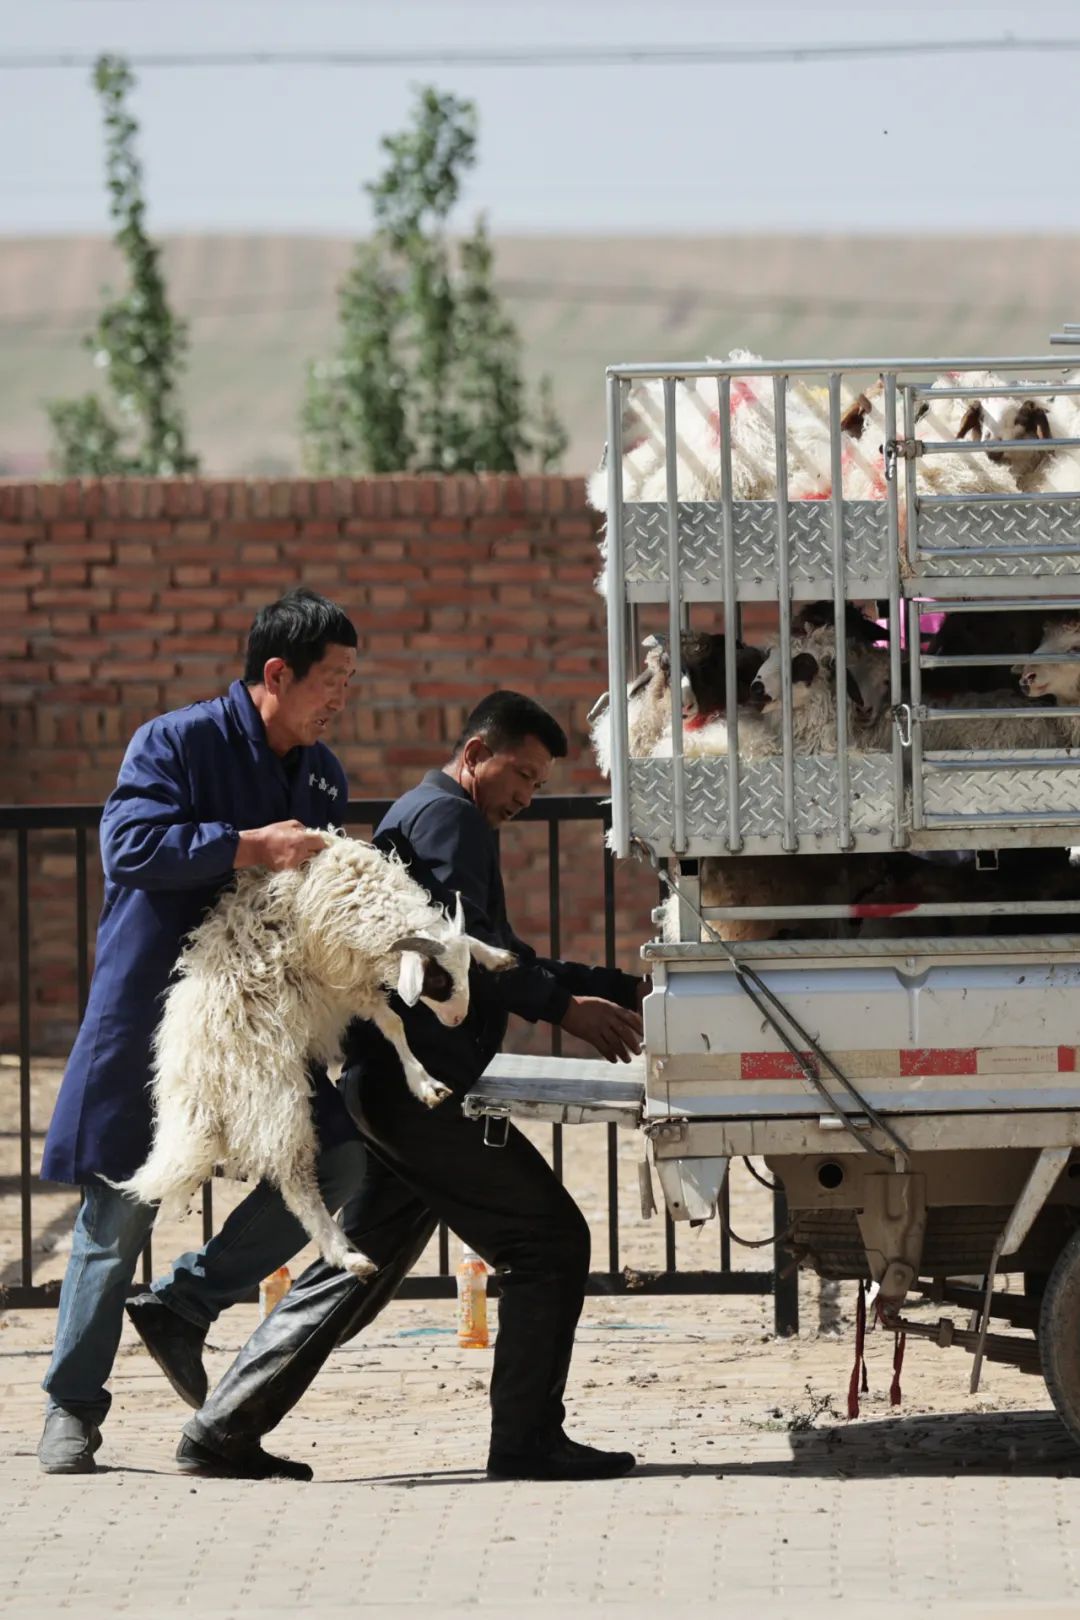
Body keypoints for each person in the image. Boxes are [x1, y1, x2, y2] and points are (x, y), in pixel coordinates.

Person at [175, 690, 646, 1483]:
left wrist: (610, 986)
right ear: (475, 753)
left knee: (350, 1271)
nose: (526, 797)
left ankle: (222, 1430)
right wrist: (567, 1008)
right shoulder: (449, 819)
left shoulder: (430, 815)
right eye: (519, 775)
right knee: (549, 1242)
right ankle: (527, 1439)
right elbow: (456, 954)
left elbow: (495, 952)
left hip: (396, 1092)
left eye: (536, 783)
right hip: (417, 1096)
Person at [37, 588, 367, 1475]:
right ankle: (72, 1408)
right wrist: (250, 845)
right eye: (329, 679)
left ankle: (185, 1303)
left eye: (347, 680)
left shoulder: (324, 771)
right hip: (153, 1019)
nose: (340, 695)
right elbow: (130, 848)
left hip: (263, 1028)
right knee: (120, 1209)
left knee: (339, 1162)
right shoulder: (175, 742)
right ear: (274, 674)